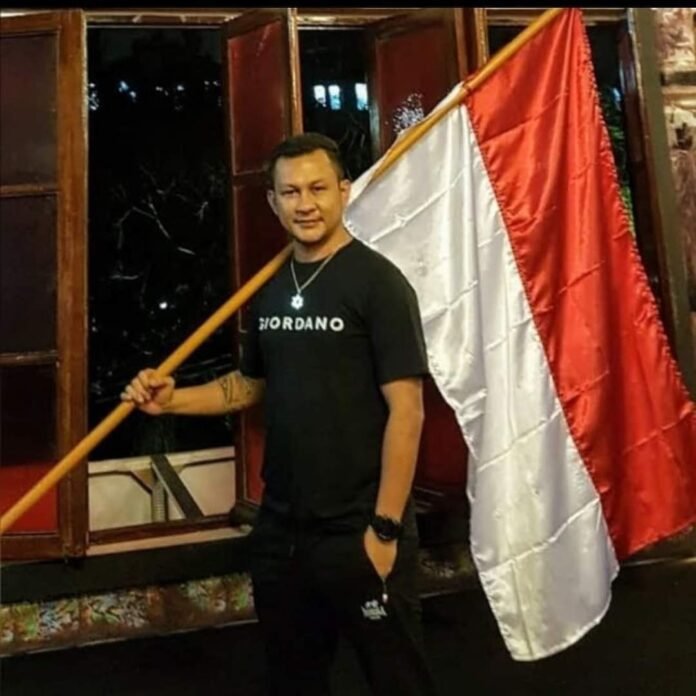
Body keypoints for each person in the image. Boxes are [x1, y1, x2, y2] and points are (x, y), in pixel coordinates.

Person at [121, 132, 438, 696]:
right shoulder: (269, 291)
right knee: (293, 680)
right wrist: (170, 399)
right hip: (282, 533)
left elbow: (407, 412)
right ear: (273, 201)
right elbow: (248, 386)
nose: (305, 203)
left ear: (344, 191)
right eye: (290, 192)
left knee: (398, 681)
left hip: (360, 527)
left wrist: (385, 529)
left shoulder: (379, 284)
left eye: (318, 188)